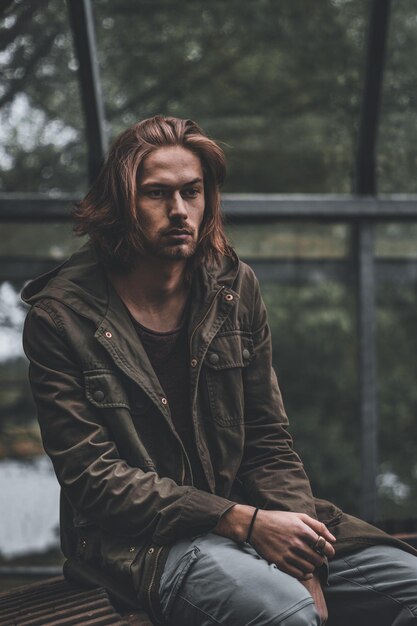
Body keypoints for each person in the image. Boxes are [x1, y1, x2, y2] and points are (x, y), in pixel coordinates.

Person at [22, 116, 417, 626]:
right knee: (287, 613)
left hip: (255, 511)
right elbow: (95, 482)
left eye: (193, 191)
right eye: (157, 194)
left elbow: (268, 439)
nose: (180, 211)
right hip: (143, 544)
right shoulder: (59, 317)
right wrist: (239, 522)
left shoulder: (233, 287)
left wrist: (307, 564)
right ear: (121, 204)